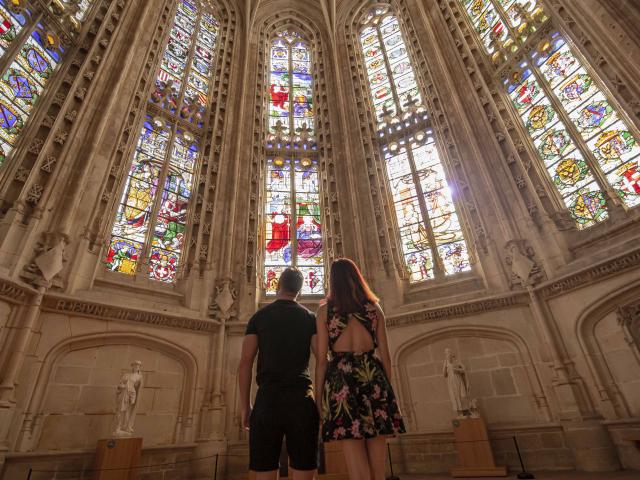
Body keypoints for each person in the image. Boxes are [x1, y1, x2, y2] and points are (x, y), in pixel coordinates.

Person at [315, 258, 405, 480]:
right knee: (378, 466)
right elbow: (385, 356)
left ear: (333, 281)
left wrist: (318, 397)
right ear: (357, 277)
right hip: (373, 377)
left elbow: (321, 361)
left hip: (341, 381)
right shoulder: (374, 309)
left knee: (356, 463)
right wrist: (387, 390)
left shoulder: (325, 312)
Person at [238, 267, 319, 480]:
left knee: (264, 468)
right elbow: (322, 358)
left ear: (277, 286)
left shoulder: (259, 317)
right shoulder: (310, 318)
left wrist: (245, 406)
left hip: (267, 400)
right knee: (304, 465)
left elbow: (245, 364)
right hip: (301, 399)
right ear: (299, 291)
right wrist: (320, 403)